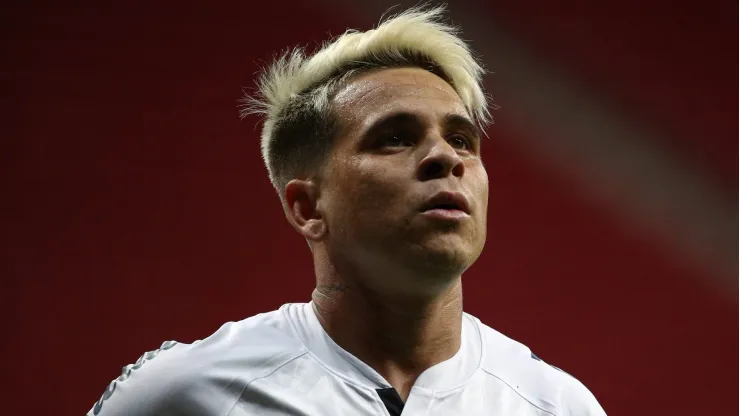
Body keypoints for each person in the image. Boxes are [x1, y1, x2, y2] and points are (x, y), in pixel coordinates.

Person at [87, 5, 606, 415]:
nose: (445, 157)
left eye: (462, 139)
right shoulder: (188, 396)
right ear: (307, 206)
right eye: (395, 138)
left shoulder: (556, 406)